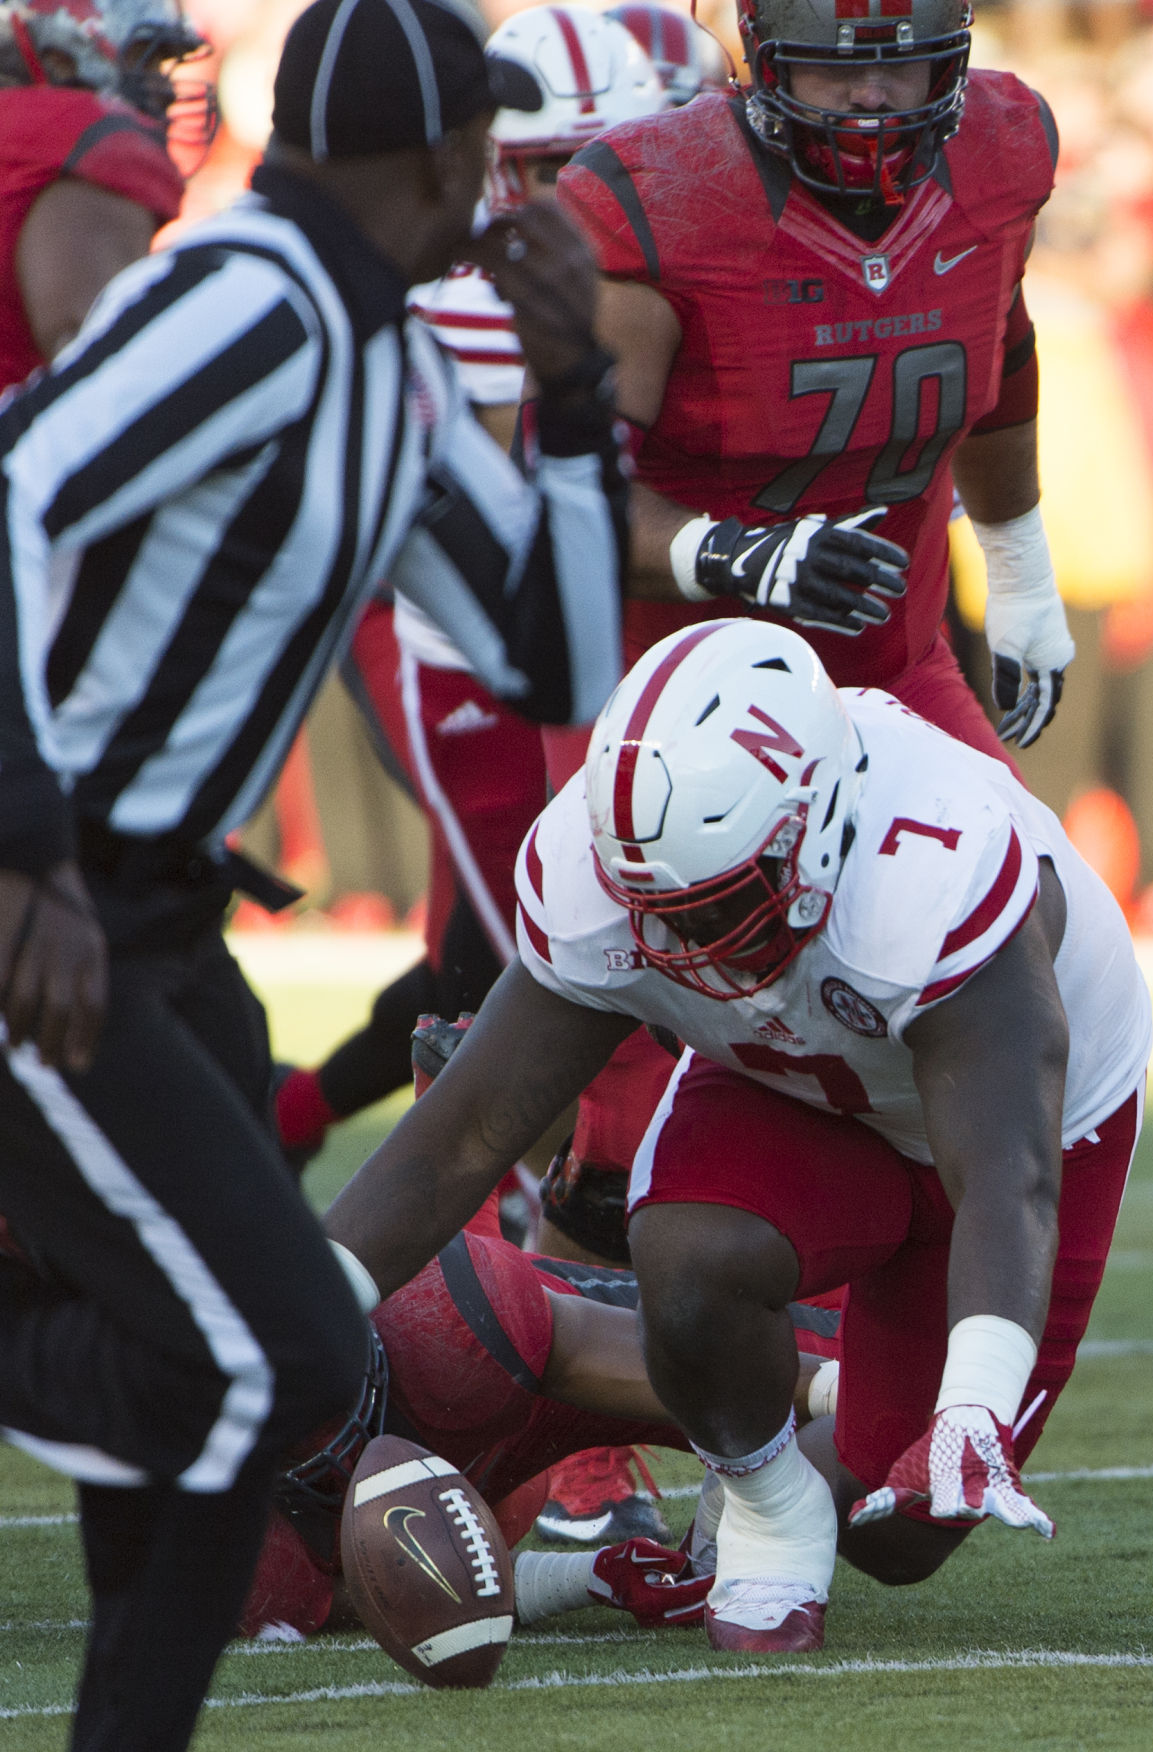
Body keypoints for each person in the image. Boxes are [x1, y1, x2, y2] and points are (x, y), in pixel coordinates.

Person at [0, 0, 631, 1743]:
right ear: (425, 158)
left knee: (209, 1410)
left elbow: (551, 654)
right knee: (271, 1355)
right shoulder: (252, 302)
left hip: (162, 917)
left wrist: (574, 393)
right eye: (476, 146)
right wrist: (24, 848)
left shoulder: (391, 362)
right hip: (47, 894)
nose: (491, 179)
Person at [324, 618, 1151, 1657]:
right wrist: (301, 1307)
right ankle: (763, 1501)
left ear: (814, 827)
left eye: (717, 910)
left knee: (902, 1529)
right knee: (688, 1256)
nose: (678, 945)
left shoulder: (936, 864)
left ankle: (841, 1425)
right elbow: (466, 1132)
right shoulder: (611, 871)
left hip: (1026, 1130)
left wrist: (976, 1406)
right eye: (659, 912)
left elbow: (1007, 1178)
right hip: (801, 1083)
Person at [527, 0, 1079, 1285]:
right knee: (616, 1051)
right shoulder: (662, 198)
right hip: (660, 678)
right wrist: (730, 552)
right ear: (761, 58)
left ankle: (893, 1348)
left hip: (886, 659)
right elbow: (563, 487)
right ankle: (578, 1437)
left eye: (900, 75)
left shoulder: (1004, 151)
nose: (870, 109)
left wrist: (1018, 560)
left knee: (1009, 956)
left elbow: (999, 347)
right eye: (834, 74)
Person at [273, 4, 666, 1167]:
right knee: (547, 971)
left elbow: (562, 620)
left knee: (491, 959)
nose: (559, 195)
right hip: (452, 651)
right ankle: (541, 1237)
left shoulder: (650, 261)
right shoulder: (416, 300)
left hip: (568, 652)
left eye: (588, 164)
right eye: (533, 161)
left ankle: (304, 1126)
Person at [244, 1014, 840, 1639]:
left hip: (479, 1363)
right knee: (486, 1507)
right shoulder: (225, 1530)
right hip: (466, 1466)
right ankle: (454, 1124)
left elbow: (647, 1361)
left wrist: (825, 1392)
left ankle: (460, 1132)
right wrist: (591, 1576)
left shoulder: (437, 1330)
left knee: (844, 1387)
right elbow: (348, 1598)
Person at [0, 0, 211, 390]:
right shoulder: (74, 139)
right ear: (61, 58)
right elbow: (106, 372)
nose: (165, 87)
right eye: (142, 60)